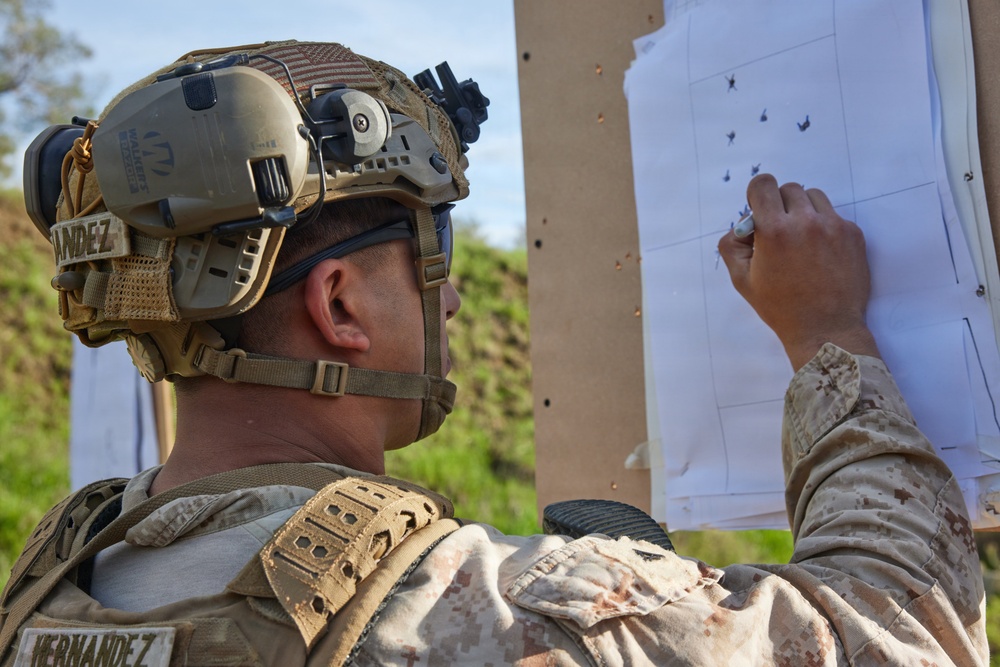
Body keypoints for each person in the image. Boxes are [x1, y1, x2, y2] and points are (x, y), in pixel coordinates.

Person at [0, 40, 986, 666]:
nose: (454, 293)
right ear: (340, 303)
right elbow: (901, 632)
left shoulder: (50, 588)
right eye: (430, 253)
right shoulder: (496, 616)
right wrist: (828, 334)